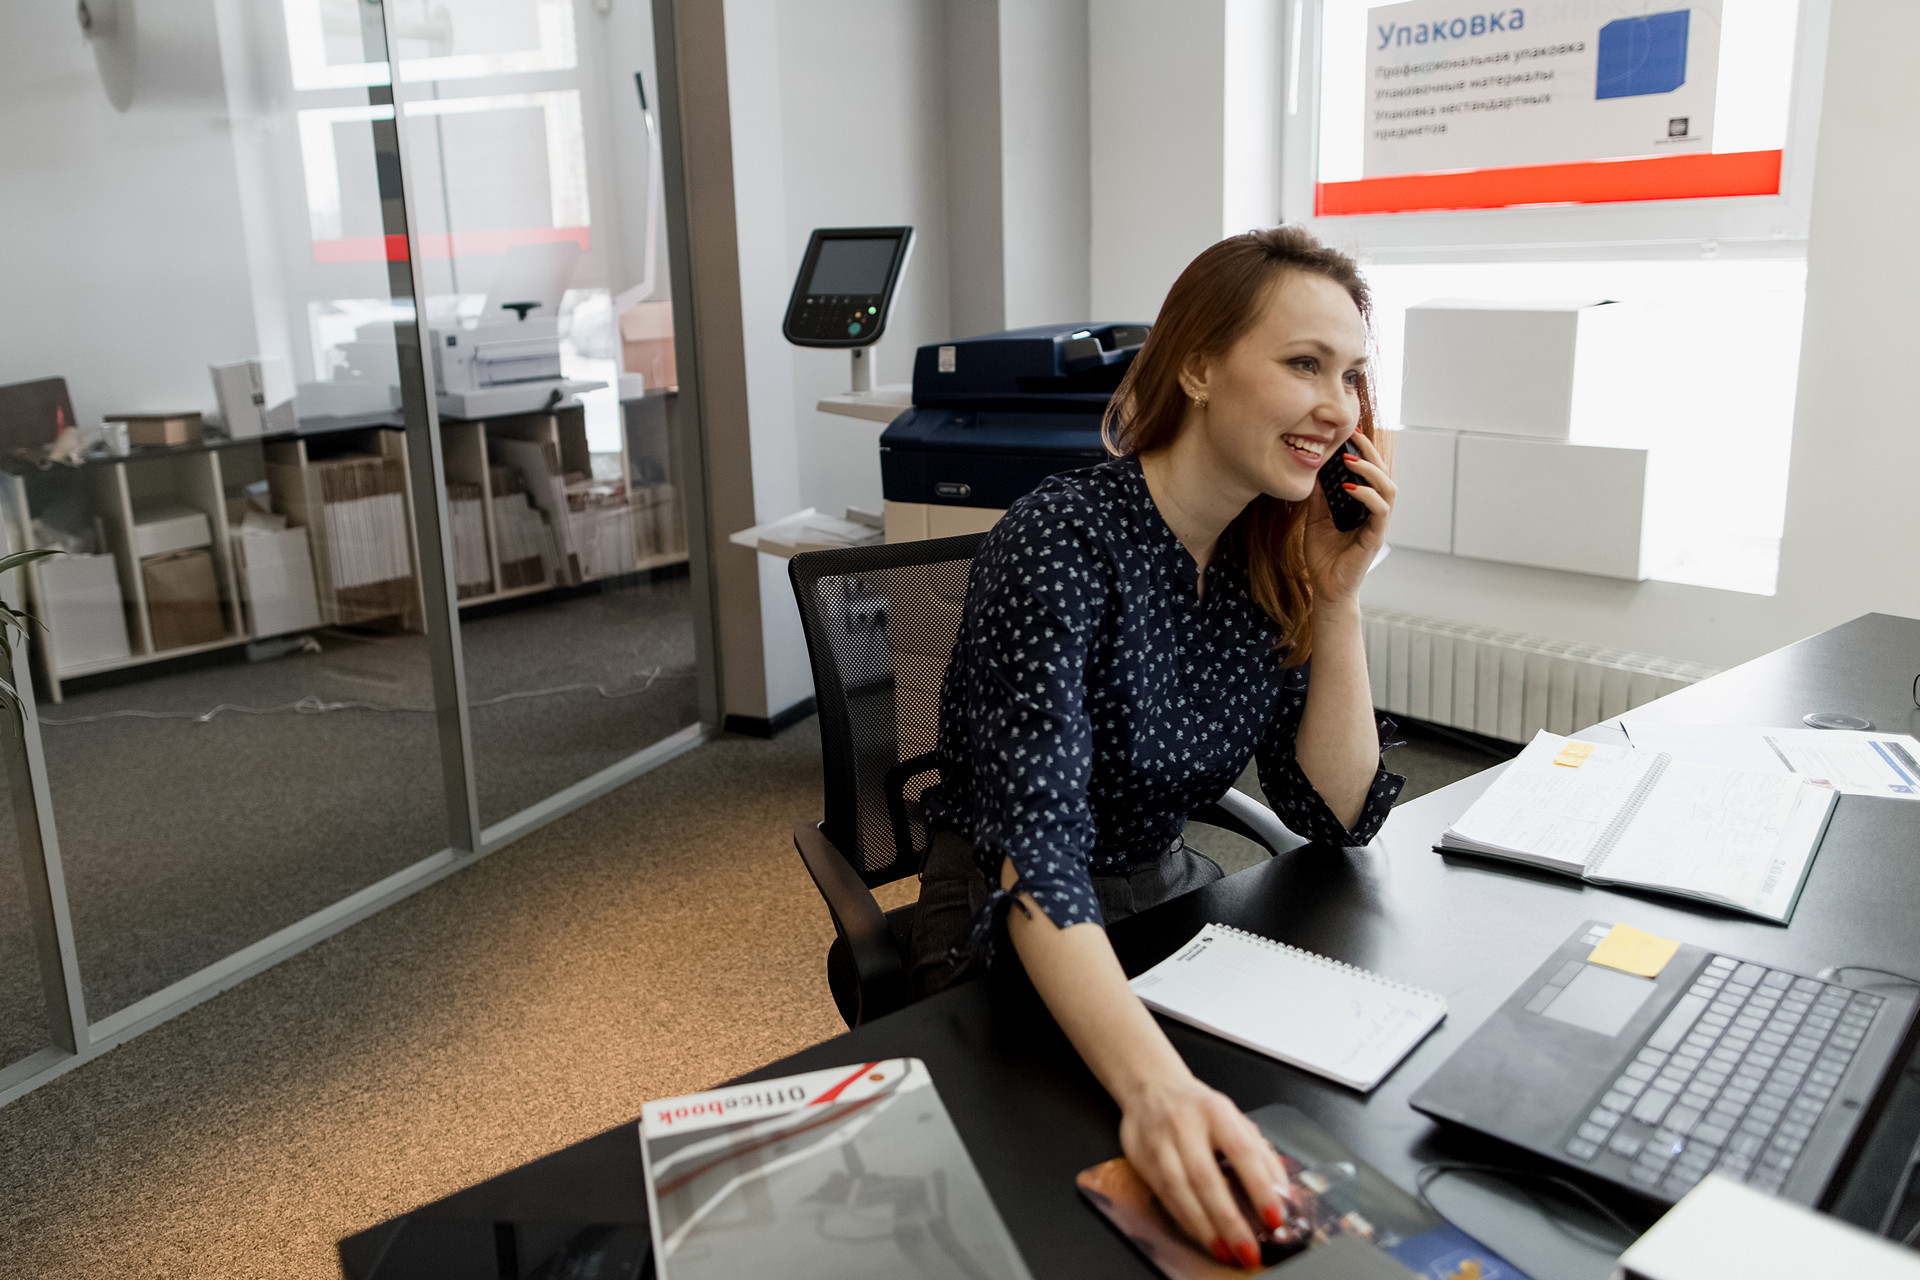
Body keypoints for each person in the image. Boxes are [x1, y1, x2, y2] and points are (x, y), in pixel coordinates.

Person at [909, 225, 1404, 1271]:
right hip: (1009, 912)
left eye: (1354, 374)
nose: (1339, 405)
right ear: (1196, 366)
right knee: (1088, 1193)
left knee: (1304, 1120)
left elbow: (1335, 811)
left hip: (1164, 891)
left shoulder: (1263, 552)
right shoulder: (1063, 539)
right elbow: (1036, 857)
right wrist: (1155, 1086)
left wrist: (1342, 597)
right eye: (1304, 363)